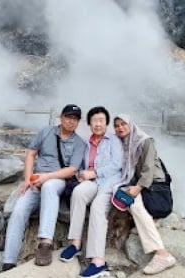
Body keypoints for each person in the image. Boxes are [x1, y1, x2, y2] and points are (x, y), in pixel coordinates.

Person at [2, 104, 87, 271]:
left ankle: (45, 243)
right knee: (19, 210)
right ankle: (9, 261)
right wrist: (27, 179)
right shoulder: (46, 132)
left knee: (49, 186)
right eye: (68, 117)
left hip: (57, 180)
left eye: (75, 119)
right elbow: (31, 153)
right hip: (35, 180)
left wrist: (46, 177)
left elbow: (72, 169)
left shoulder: (79, 143)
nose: (71, 121)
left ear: (78, 122)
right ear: (61, 118)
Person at [59, 106, 123, 278]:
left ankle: (99, 261)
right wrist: (81, 174)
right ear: (89, 124)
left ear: (107, 123)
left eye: (101, 120)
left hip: (109, 182)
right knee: (78, 193)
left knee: (97, 208)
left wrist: (94, 172)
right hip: (91, 181)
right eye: (94, 121)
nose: (98, 124)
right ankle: (75, 243)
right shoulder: (87, 143)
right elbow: (82, 166)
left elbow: (117, 165)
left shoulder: (114, 141)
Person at [112, 114, 177, 275]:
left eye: (123, 124)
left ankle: (162, 254)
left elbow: (148, 169)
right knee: (123, 196)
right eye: (116, 125)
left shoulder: (144, 141)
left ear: (131, 125)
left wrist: (137, 188)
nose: (120, 128)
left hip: (153, 183)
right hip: (140, 183)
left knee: (132, 202)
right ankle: (150, 221)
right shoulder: (124, 144)